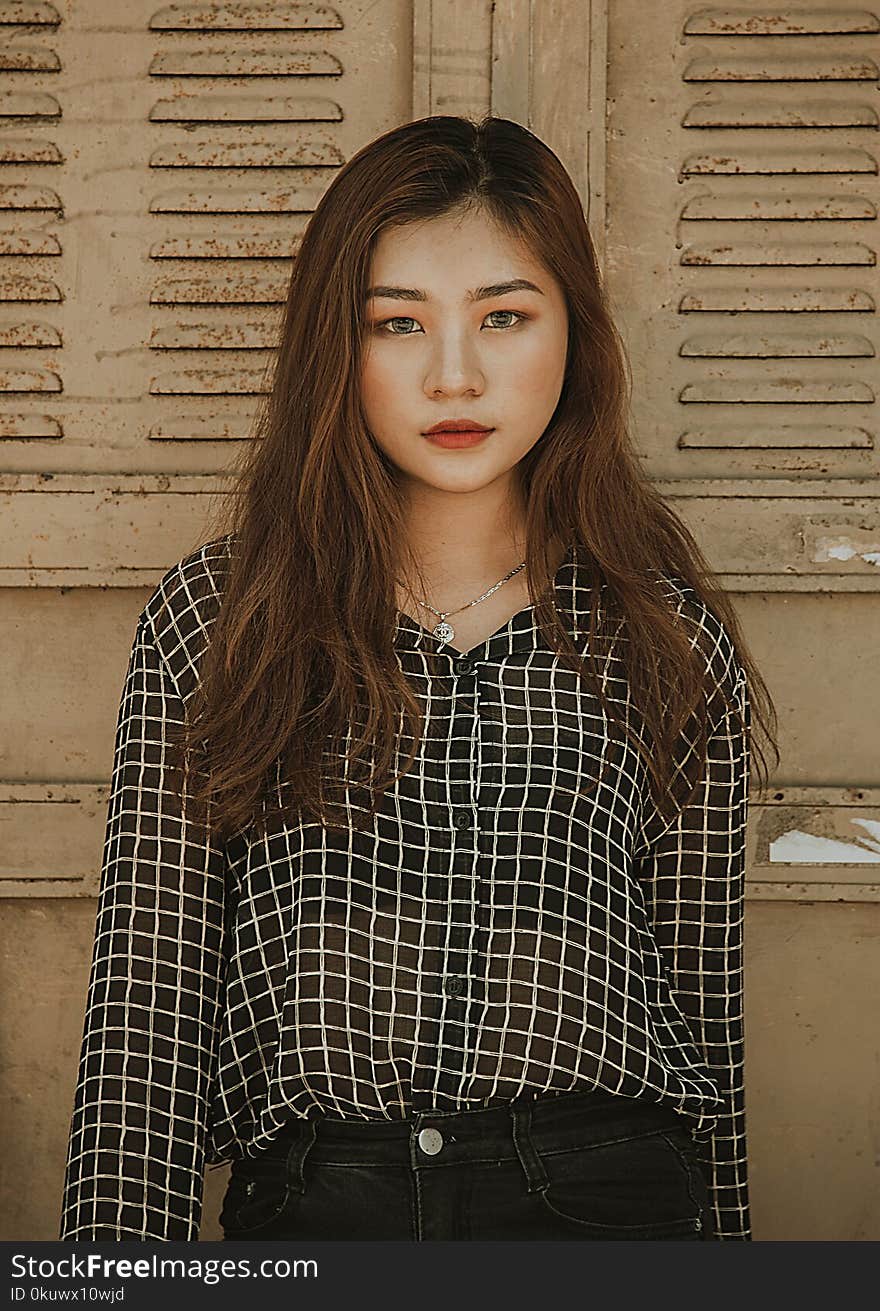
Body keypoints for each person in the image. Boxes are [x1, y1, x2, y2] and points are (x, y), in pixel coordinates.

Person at [59, 114, 777, 1243]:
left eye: (503, 316)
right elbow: (146, 1017)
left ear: (573, 336)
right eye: (397, 324)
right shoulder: (223, 616)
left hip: (604, 1199)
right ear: (333, 352)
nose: (455, 373)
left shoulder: (663, 633)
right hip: (316, 1204)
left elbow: (703, 1010)